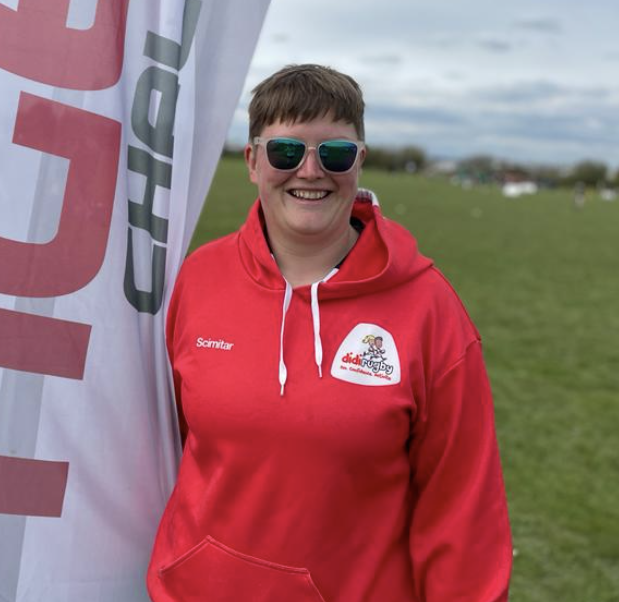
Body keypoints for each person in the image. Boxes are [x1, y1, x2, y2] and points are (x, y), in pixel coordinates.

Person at [147, 64, 512, 602]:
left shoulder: (429, 309)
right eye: (286, 152)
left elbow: (463, 513)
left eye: (335, 153)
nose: (311, 171)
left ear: (359, 162)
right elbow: (166, 445)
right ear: (252, 161)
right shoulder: (199, 277)